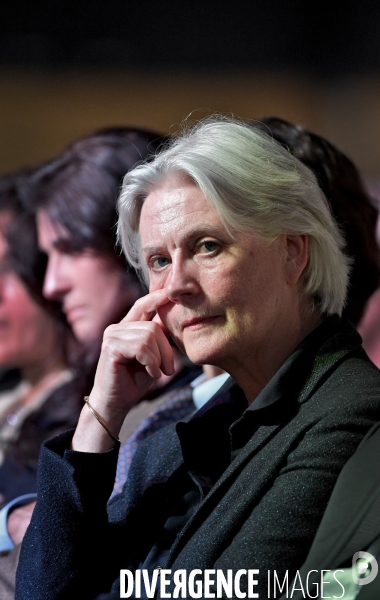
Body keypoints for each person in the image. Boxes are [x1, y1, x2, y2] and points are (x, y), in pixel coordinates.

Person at [16, 117, 380, 600]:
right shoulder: (193, 429)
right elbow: (45, 591)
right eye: (159, 261)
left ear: (294, 254)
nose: (177, 285)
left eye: (208, 247)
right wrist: (99, 419)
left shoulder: (351, 413)